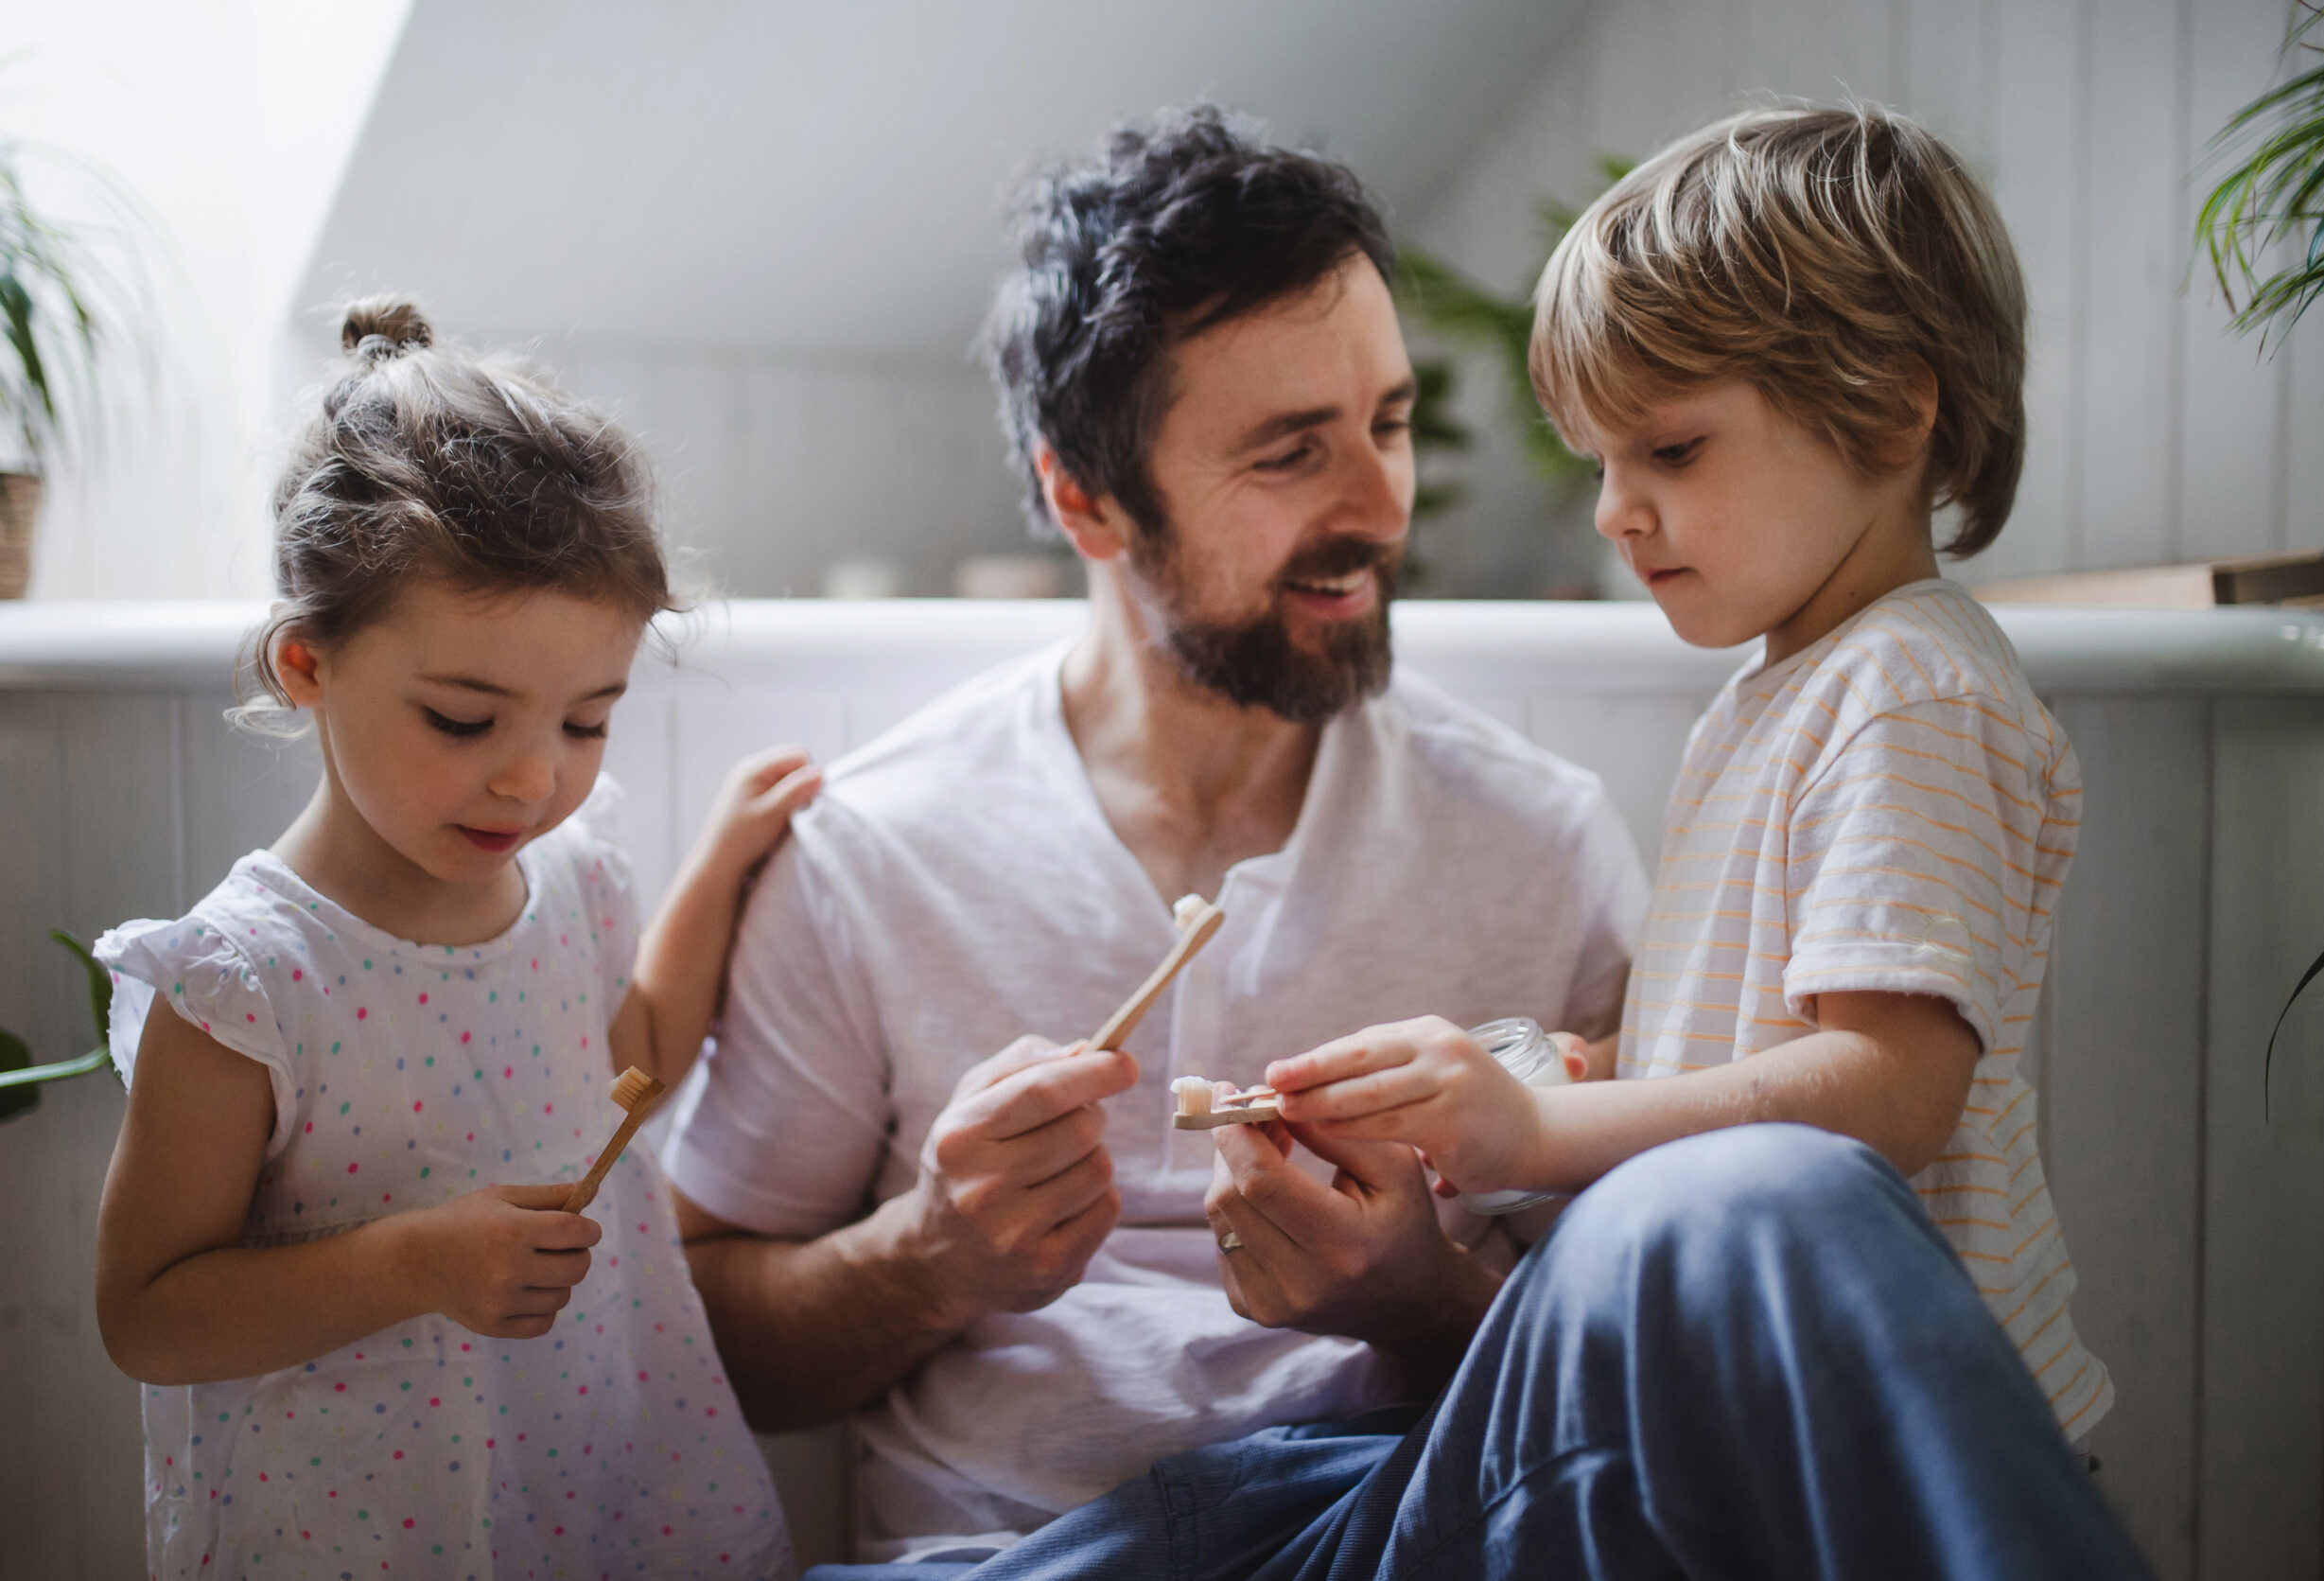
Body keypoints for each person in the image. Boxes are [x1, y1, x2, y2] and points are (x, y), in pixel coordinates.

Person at [653, 107, 1647, 1564]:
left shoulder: (1538, 843)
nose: (1379, 511)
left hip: (1391, 1529)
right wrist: (932, 1257)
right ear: (1085, 494)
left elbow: (1649, 1378)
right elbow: (718, 1347)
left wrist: (1423, 1300)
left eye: (1388, 422)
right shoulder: (877, 849)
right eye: (1290, 454)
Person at [1267, 103, 2113, 1443]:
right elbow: (1778, 1056)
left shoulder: (1909, 691)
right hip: (1792, 1403)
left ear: (1891, 411)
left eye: (1670, 449)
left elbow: (1887, 1088)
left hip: (1899, 1434)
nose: (1616, 509)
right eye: (1601, 461)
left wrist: (1538, 1141)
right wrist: (1613, 1084)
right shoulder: (1783, 694)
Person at [89, 299, 815, 1580]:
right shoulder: (245, 983)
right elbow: (148, 1316)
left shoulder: (574, 884)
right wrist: (413, 1264)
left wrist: (717, 867)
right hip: (355, 1525)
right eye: (466, 721)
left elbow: (632, 1068)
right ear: (308, 664)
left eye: (586, 723)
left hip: (576, 1470)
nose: (532, 782)